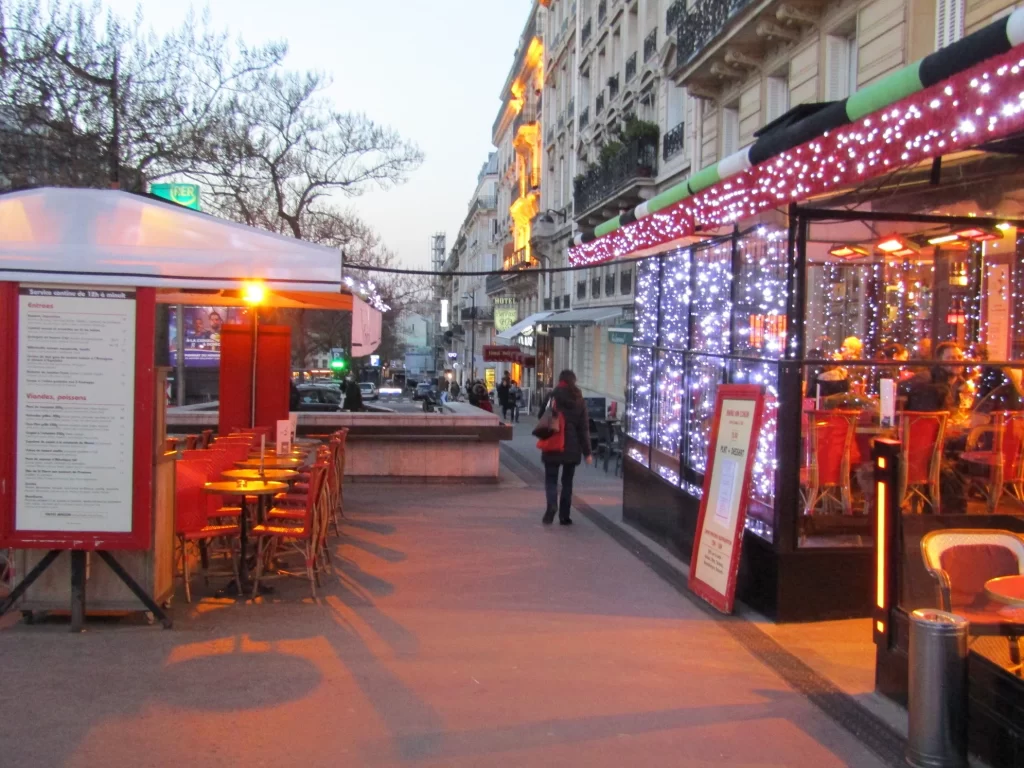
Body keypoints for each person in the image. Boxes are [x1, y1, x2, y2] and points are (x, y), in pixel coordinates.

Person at [540, 370, 593, 525]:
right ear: (574, 381)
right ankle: (564, 516)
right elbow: (583, 428)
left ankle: (551, 505)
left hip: (552, 443)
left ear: (560, 380)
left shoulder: (552, 396)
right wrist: (587, 452)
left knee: (551, 479)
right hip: (572, 446)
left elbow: (541, 417)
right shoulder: (579, 400)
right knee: (567, 482)